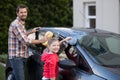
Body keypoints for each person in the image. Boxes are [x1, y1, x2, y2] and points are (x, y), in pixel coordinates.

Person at [8, 4, 48, 80]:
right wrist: (42, 40)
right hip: (17, 57)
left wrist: (31, 31)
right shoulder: (16, 24)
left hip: (21, 55)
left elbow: (21, 35)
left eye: (25, 12)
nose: (23, 14)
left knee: (13, 77)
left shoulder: (20, 24)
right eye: (21, 12)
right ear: (17, 13)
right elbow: (26, 41)